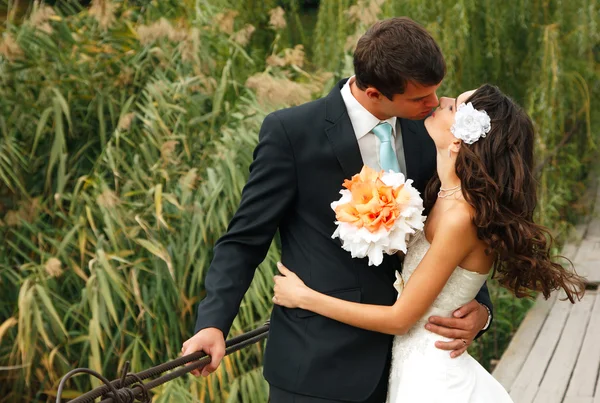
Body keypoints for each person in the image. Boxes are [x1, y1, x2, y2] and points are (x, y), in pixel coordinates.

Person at [182, 17, 495, 402]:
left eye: (436, 94)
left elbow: (456, 228)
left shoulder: (431, 135)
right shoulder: (292, 133)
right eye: (419, 98)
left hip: (410, 369)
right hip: (315, 368)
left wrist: (480, 309)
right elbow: (244, 240)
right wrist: (213, 323)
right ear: (375, 92)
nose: (433, 106)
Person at [272, 84, 586, 402]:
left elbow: (400, 319)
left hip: (432, 379)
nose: (442, 101)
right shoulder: (444, 193)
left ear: (460, 139)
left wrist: (305, 297)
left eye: (454, 107)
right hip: (411, 368)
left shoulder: (460, 217)